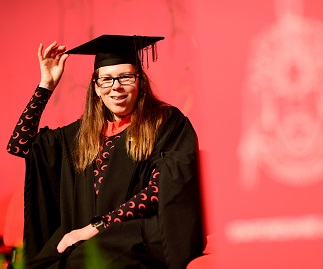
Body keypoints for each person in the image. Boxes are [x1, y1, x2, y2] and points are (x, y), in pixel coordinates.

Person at [6, 35, 205, 269]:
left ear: (140, 82)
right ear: (96, 89)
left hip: (139, 236)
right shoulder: (80, 135)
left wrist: (96, 227)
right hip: (82, 237)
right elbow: (20, 144)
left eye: (125, 77)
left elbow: (160, 190)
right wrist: (46, 85)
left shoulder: (166, 122)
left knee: (80, 262)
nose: (116, 86)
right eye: (106, 80)